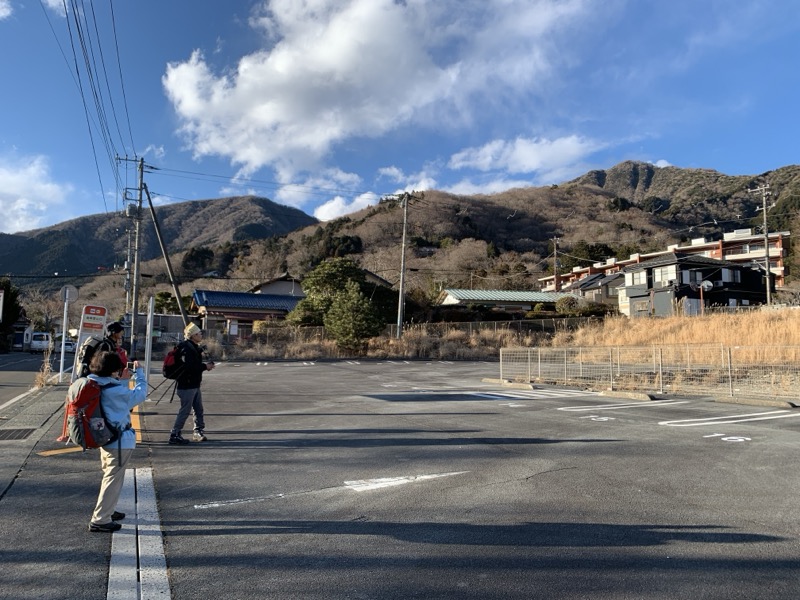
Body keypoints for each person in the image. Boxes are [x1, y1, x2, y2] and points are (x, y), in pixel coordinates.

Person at [87, 351, 147, 533]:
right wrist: (140, 375)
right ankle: (100, 519)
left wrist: (123, 381)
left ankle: (108, 510)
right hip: (119, 441)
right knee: (113, 480)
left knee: (109, 476)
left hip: (104, 437)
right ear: (114, 369)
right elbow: (139, 395)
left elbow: (115, 397)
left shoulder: (93, 383)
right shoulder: (115, 390)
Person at [169, 322, 215, 445]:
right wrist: (205, 366)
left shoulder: (191, 347)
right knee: (185, 410)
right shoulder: (186, 348)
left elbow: (193, 364)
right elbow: (190, 367)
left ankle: (198, 431)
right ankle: (175, 434)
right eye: (199, 333)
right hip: (187, 385)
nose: (201, 335)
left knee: (198, 409)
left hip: (193, 384)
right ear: (193, 335)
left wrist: (203, 362)